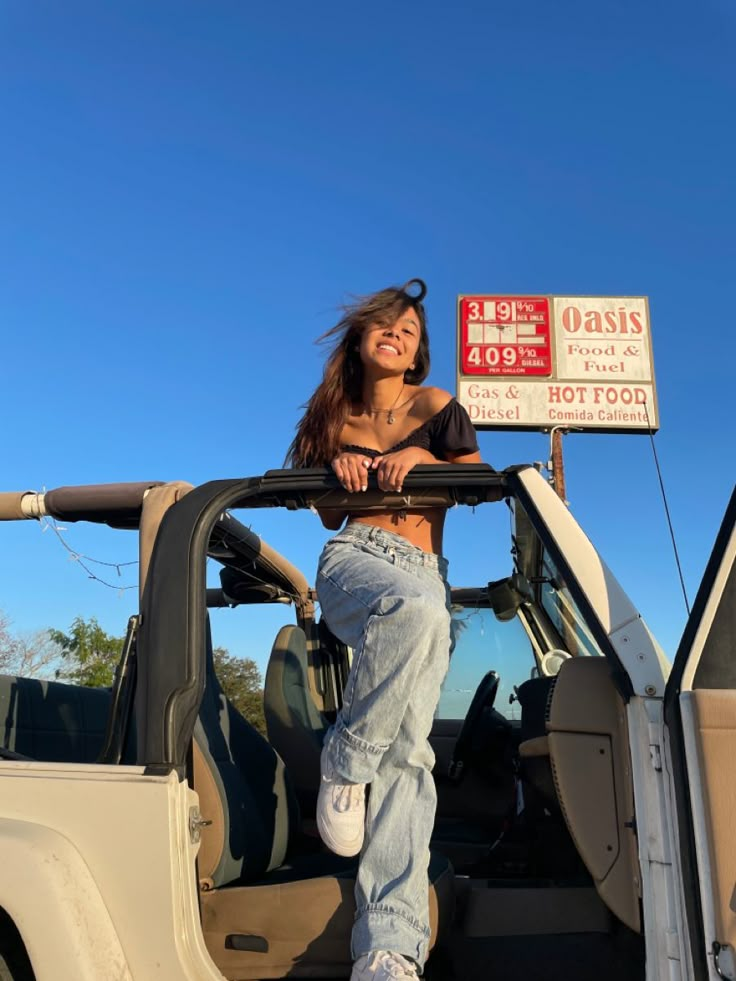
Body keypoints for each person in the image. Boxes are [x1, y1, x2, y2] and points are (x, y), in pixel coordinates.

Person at [287, 278, 482, 981]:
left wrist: (425, 460)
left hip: (424, 569)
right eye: (383, 323)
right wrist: (337, 472)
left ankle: (389, 948)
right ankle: (345, 763)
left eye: (408, 327)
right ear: (362, 340)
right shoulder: (333, 418)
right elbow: (322, 513)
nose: (395, 331)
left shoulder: (435, 407)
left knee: (411, 757)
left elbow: (474, 477)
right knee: (416, 613)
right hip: (357, 563)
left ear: (418, 351)